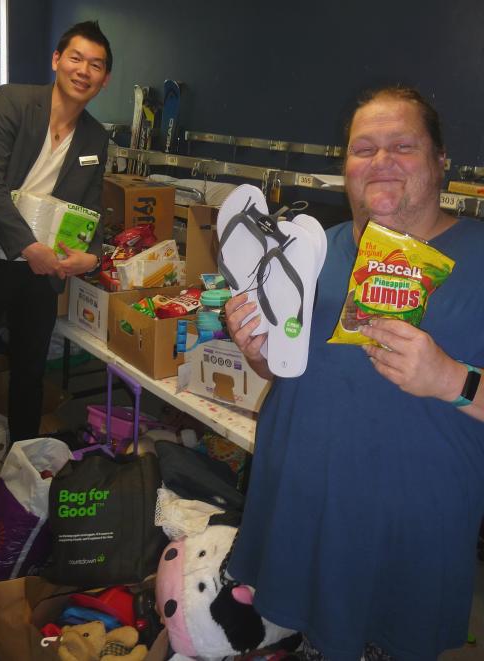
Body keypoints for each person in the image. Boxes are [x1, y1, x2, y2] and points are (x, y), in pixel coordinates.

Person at [225, 87, 484, 661]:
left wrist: (451, 380)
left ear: (442, 161)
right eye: (363, 148)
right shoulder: (311, 249)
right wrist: (259, 352)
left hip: (407, 533)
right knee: (311, 641)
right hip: (302, 513)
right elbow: (288, 367)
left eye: (403, 146)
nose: (380, 160)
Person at [0, 21, 112, 442]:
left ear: (105, 79)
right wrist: (27, 245)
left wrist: (92, 255)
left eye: (96, 65)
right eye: (76, 58)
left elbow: (91, 207)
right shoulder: (13, 102)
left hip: (42, 273)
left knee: (29, 372)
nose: (84, 70)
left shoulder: (96, 136)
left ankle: (19, 466)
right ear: (57, 60)